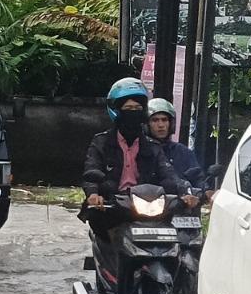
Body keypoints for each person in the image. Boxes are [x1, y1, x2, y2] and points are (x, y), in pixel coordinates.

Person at [82, 79, 196, 231]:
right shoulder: (101, 142)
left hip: (147, 205)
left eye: (137, 108)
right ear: (116, 110)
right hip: (112, 207)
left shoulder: (152, 146)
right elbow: (91, 170)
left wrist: (184, 192)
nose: (133, 112)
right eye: (128, 108)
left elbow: (169, 174)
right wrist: (93, 194)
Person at [145, 98, 205, 189]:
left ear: (171, 123)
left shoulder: (183, 152)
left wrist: (206, 191)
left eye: (164, 120)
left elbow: (197, 179)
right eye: (155, 120)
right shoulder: (140, 150)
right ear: (146, 124)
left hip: (180, 200)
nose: (161, 125)